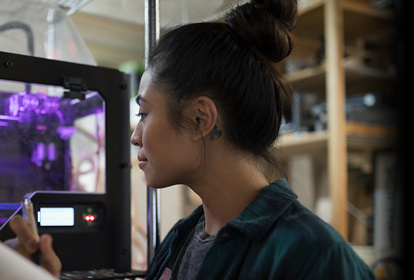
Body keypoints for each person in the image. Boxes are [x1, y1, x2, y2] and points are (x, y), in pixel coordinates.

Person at [6, 0, 376, 279]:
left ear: (201, 118)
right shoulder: (182, 238)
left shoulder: (312, 254)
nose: (135, 137)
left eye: (144, 114)